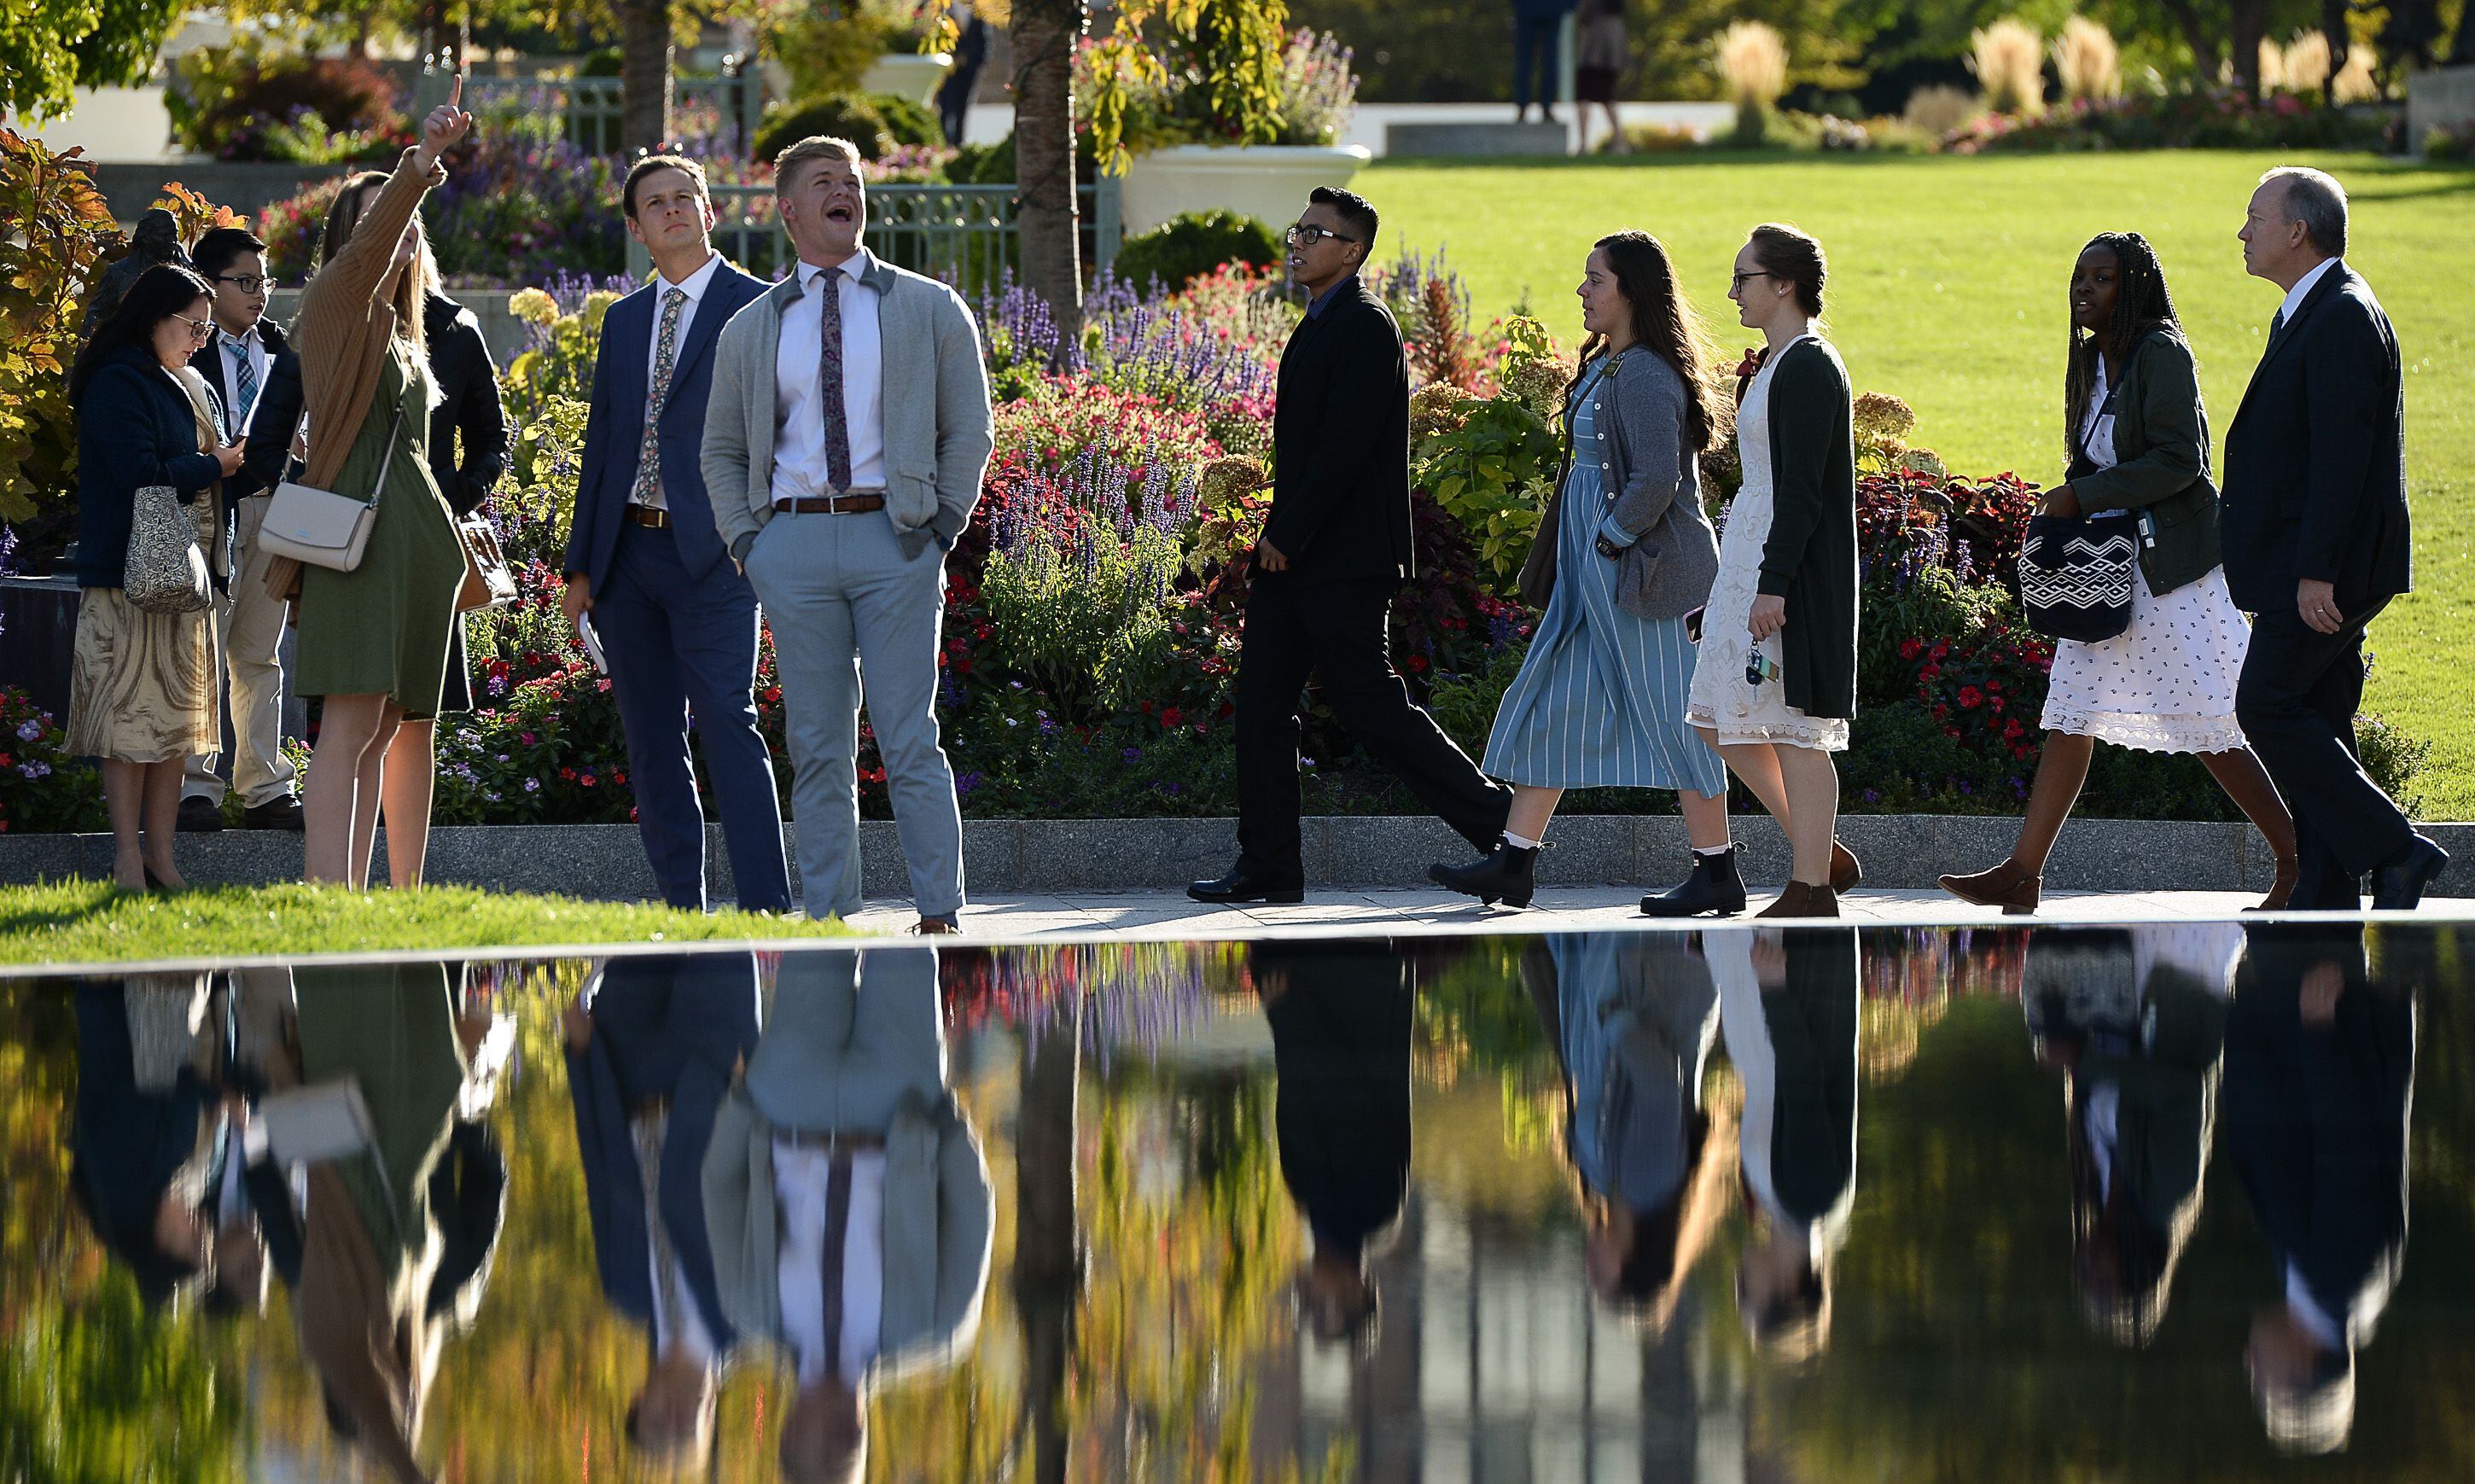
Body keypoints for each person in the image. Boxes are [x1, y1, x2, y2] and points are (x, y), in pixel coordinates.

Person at [1940, 235, 2297, 914]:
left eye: (2102, 278)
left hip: (2171, 571)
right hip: (2104, 571)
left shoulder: (2160, 352)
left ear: (2131, 287)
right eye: (2079, 276)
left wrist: (2086, 496)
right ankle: (2024, 872)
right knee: (2070, 717)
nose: (2085, 289)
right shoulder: (2090, 358)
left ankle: (2293, 857)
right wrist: (2068, 497)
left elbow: (2181, 460)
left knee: (2210, 726)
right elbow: (2094, 457)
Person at [702, 135, 994, 933]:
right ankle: (830, 917)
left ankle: (940, 911)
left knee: (910, 737)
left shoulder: (929, 307)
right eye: (825, 183)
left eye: (854, 182)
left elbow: (968, 429)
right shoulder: (750, 329)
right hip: (791, 549)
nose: (846, 193)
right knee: (820, 746)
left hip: (896, 543)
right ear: (789, 210)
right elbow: (721, 449)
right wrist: (749, 543)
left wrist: (940, 527)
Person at [1190, 189, 1512, 906]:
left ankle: (1501, 825)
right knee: (1262, 706)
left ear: (1352, 250)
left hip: (1341, 561)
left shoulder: (1366, 326)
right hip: (1300, 559)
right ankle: (1269, 867)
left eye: (1315, 232)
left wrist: (1285, 533)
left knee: (1370, 705)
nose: (1298, 241)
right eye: (1297, 228)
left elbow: (1344, 448)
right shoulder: (1321, 321)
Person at [1429, 231, 1732, 911]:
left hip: (1645, 579)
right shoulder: (1611, 365)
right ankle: (1514, 863)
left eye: (1595, 279)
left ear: (1631, 290)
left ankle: (1717, 871)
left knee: (1678, 716)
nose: (1582, 290)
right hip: (1593, 579)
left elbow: (1657, 477)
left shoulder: (1649, 372)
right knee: (1554, 704)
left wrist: (1610, 539)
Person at [567, 154, 791, 916]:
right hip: (628, 559)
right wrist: (580, 570)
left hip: (718, 557)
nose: (672, 211)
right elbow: (604, 446)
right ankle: (680, 913)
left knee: (730, 723)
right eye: (655, 204)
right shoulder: (625, 321)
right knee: (653, 743)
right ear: (635, 228)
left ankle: (766, 911)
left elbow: (783, 436)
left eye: (684, 198)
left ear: (709, 210)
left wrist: (760, 539)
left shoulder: (757, 307)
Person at [2224, 167, 2446, 911]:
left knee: (2266, 703)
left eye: (2256, 217)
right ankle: (2326, 881)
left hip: (2326, 569)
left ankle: (2397, 848)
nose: (2243, 231)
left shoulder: (2344, 313)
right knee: (2317, 713)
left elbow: (2341, 459)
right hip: (2309, 563)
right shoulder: (2313, 308)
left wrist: (2317, 572)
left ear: (2298, 231)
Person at [271, 84, 475, 887]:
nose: (394, 234)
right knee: (350, 721)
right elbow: (366, 254)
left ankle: (360, 902)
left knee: (385, 725)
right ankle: (330, 899)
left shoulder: (404, 334)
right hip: (357, 550)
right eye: (375, 219)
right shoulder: (332, 305)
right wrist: (420, 166)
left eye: (403, 223)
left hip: (412, 553)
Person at [701, 946, 993, 1484]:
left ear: (788, 1433)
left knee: (823, 923)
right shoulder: (935, 1330)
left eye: (827, 1454)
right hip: (896, 1103)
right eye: (852, 1460)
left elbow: (720, 1191)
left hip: (790, 1098)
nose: (845, 1441)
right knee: (908, 939)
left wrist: (746, 1102)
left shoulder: (748, 1310)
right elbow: (973, 1213)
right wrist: (939, 1110)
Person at [1686, 224, 1861, 919]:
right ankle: (1818, 849)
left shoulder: (1812, 365)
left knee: (1793, 727)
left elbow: (1803, 492)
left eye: (1744, 278)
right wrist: (1730, 589)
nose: (1733, 292)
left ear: (1783, 284)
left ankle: (1811, 886)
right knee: (1715, 717)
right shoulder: (1779, 361)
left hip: (1786, 569)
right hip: (1751, 560)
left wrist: (1775, 584)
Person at [67, 263, 245, 892]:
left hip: (181, 578)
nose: (201, 338)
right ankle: (124, 858)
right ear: (153, 319)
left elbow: (197, 467)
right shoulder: (118, 382)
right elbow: (143, 472)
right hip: (126, 576)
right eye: (193, 326)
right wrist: (213, 464)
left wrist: (237, 461)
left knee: (174, 727)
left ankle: (162, 859)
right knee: (127, 726)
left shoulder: (178, 381)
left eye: (204, 328)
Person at [563, 952, 762, 1467]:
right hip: (714, 1076)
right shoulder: (752, 1319)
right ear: (710, 1414)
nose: (672, 1418)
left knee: (651, 902)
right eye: (684, 1431)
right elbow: (765, 1194)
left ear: (637, 1399)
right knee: (727, 920)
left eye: (656, 1423)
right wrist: (751, 1096)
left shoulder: (624, 1293)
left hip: (627, 1065)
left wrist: (581, 1061)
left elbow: (600, 1177)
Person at [2223, 923, 2412, 1453]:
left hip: (2290, 1028)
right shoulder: (2343, 1278)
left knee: (2309, 879)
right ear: (2302, 1365)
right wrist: (2318, 1028)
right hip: (2311, 1021)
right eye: (2263, 1380)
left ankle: (2370, 847)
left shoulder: (2325, 1292)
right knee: (2310, 893)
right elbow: (2342, 1144)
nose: (2250, 1364)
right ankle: (2389, 850)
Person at [2021, 923, 2238, 1347]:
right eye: (2099, 1277)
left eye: (2082, 1277)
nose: (2083, 1266)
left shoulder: (2092, 1190)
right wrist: (2085, 1062)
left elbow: (2091, 1089)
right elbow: (2183, 1092)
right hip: (2173, 983)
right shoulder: (2171, 1191)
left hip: (2116, 987)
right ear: (2135, 1264)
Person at [362, 272, 510, 887]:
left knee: (418, 716)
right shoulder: (338, 319)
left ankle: (406, 891)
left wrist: (452, 496)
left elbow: (492, 441)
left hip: (431, 544)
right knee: (357, 715)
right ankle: (341, 890)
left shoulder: (456, 328)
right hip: (357, 543)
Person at [1521, 933, 1733, 1328]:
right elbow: (1660, 1086)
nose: (1589, 1266)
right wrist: (1614, 1021)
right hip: (1647, 981)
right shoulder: (1649, 1182)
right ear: (1631, 1259)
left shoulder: (1608, 1186)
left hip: (1618, 980)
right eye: (1601, 1275)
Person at [179, 224, 304, 835]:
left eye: (266, 282)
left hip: (275, 507)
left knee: (259, 653)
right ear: (209, 283)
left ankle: (265, 788)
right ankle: (194, 788)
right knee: (202, 649)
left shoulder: (280, 345)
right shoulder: (185, 348)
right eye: (245, 282)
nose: (259, 295)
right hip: (211, 509)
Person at [1709, 925, 1858, 1361]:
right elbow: (1802, 1082)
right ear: (1788, 1288)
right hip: (1790, 990)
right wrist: (1774, 989)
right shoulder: (1812, 1200)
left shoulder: (1786, 1209)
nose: (1737, 1288)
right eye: (1747, 1297)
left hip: (1766, 1011)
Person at [1257, 940, 1413, 1347]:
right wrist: (1286, 1015)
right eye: (1323, 1306)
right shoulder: (1371, 1205)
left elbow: (1295, 1092)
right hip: (1343, 981)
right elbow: (1341, 1091)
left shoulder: (1312, 1205)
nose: (1308, 1297)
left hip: (1314, 987)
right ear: (1359, 1290)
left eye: (1308, 1308)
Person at [1575, 0, 1629, 153]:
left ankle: (1583, 145)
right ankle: (1619, 141)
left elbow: (1583, 15)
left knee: (1584, 97)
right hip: (1612, 46)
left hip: (1593, 47)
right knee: (1608, 97)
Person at [1511, 0, 1576, 125]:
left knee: (1525, 59)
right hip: (1553, 8)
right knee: (1549, 59)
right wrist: (1568, 5)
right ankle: (1546, 105)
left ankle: (1523, 105)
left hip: (1527, 8)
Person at [935, 2, 992, 147]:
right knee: (946, 105)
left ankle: (959, 143)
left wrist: (978, 63)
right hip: (947, 68)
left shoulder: (976, 10)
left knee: (963, 105)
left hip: (968, 68)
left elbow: (983, 40)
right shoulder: (943, 8)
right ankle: (944, 142)